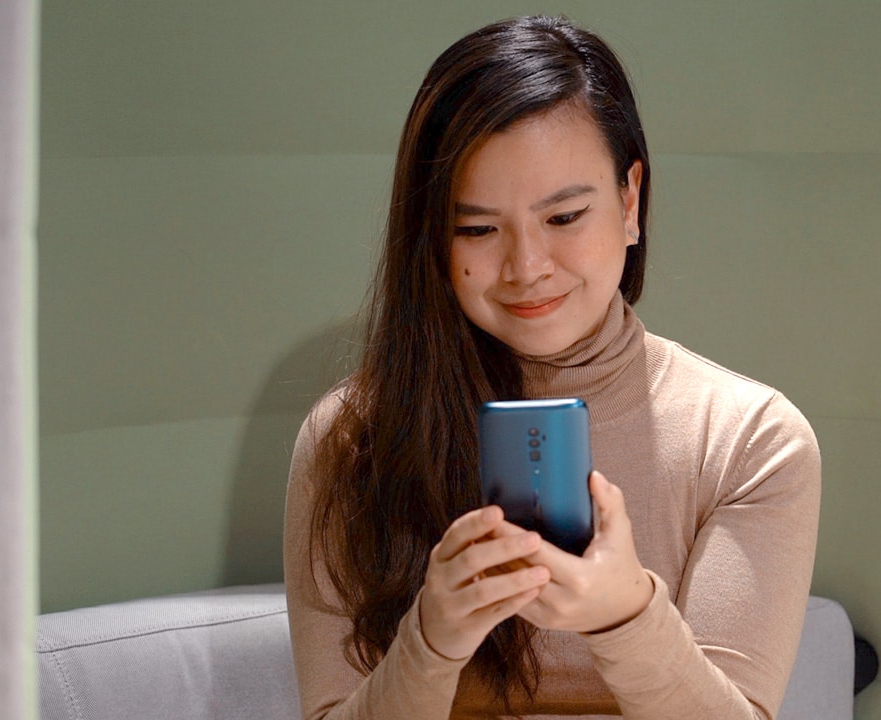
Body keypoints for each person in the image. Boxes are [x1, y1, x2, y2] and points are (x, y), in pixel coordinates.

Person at [283, 15, 820, 720]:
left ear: (630, 202)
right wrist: (432, 643)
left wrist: (626, 616)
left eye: (564, 218)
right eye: (477, 228)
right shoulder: (351, 437)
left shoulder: (749, 441)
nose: (527, 266)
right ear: (432, 238)